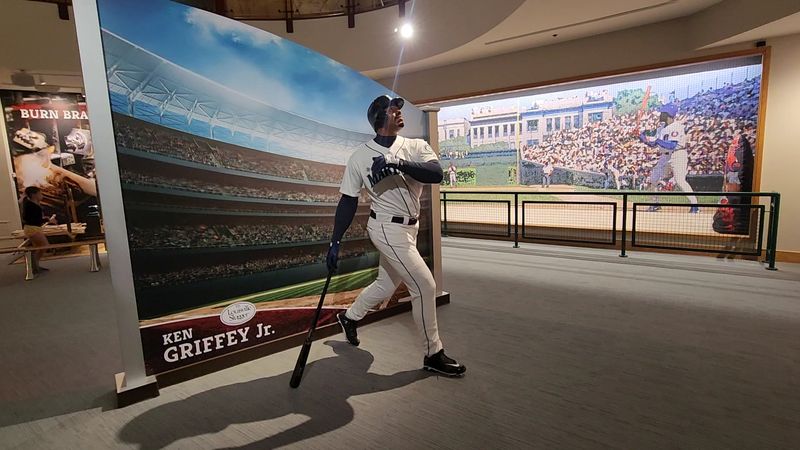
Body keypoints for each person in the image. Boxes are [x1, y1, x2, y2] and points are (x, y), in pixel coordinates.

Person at [327, 95, 466, 377]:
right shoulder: (359, 156)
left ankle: (349, 317)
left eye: (399, 109)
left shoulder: (415, 145)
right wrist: (335, 241)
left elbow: (436, 174)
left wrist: (396, 163)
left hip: (410, 227)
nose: (399, 113)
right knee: (425, 286)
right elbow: (348, 201)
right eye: (393, 110)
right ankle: (433, 353)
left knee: (385, 285)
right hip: (385, 228)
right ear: (380, 118)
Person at [640, 104, 699, 213]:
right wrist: (642, 137)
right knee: (653, 179)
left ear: (668, 115)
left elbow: (672, 145)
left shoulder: (677, 126)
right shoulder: (661, 127)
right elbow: (653, 144)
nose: (660, 115)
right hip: (665, 157)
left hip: (678, 154)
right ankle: (655, 204)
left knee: (680, 181)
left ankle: (695, 205)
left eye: (663, 113)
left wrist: (657, 141)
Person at [21, 186, 56, 274]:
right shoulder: (30, 205)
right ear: (33, 195)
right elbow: (30, 218)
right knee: (44, 245)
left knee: (38, 247)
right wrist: (47, 220)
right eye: (40, 193)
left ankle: (35, 265)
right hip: (32, 228)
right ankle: (34, 265)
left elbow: (35, 218)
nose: (42, 195)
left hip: (34, 227)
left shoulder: (33, 204)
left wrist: (45, 219)